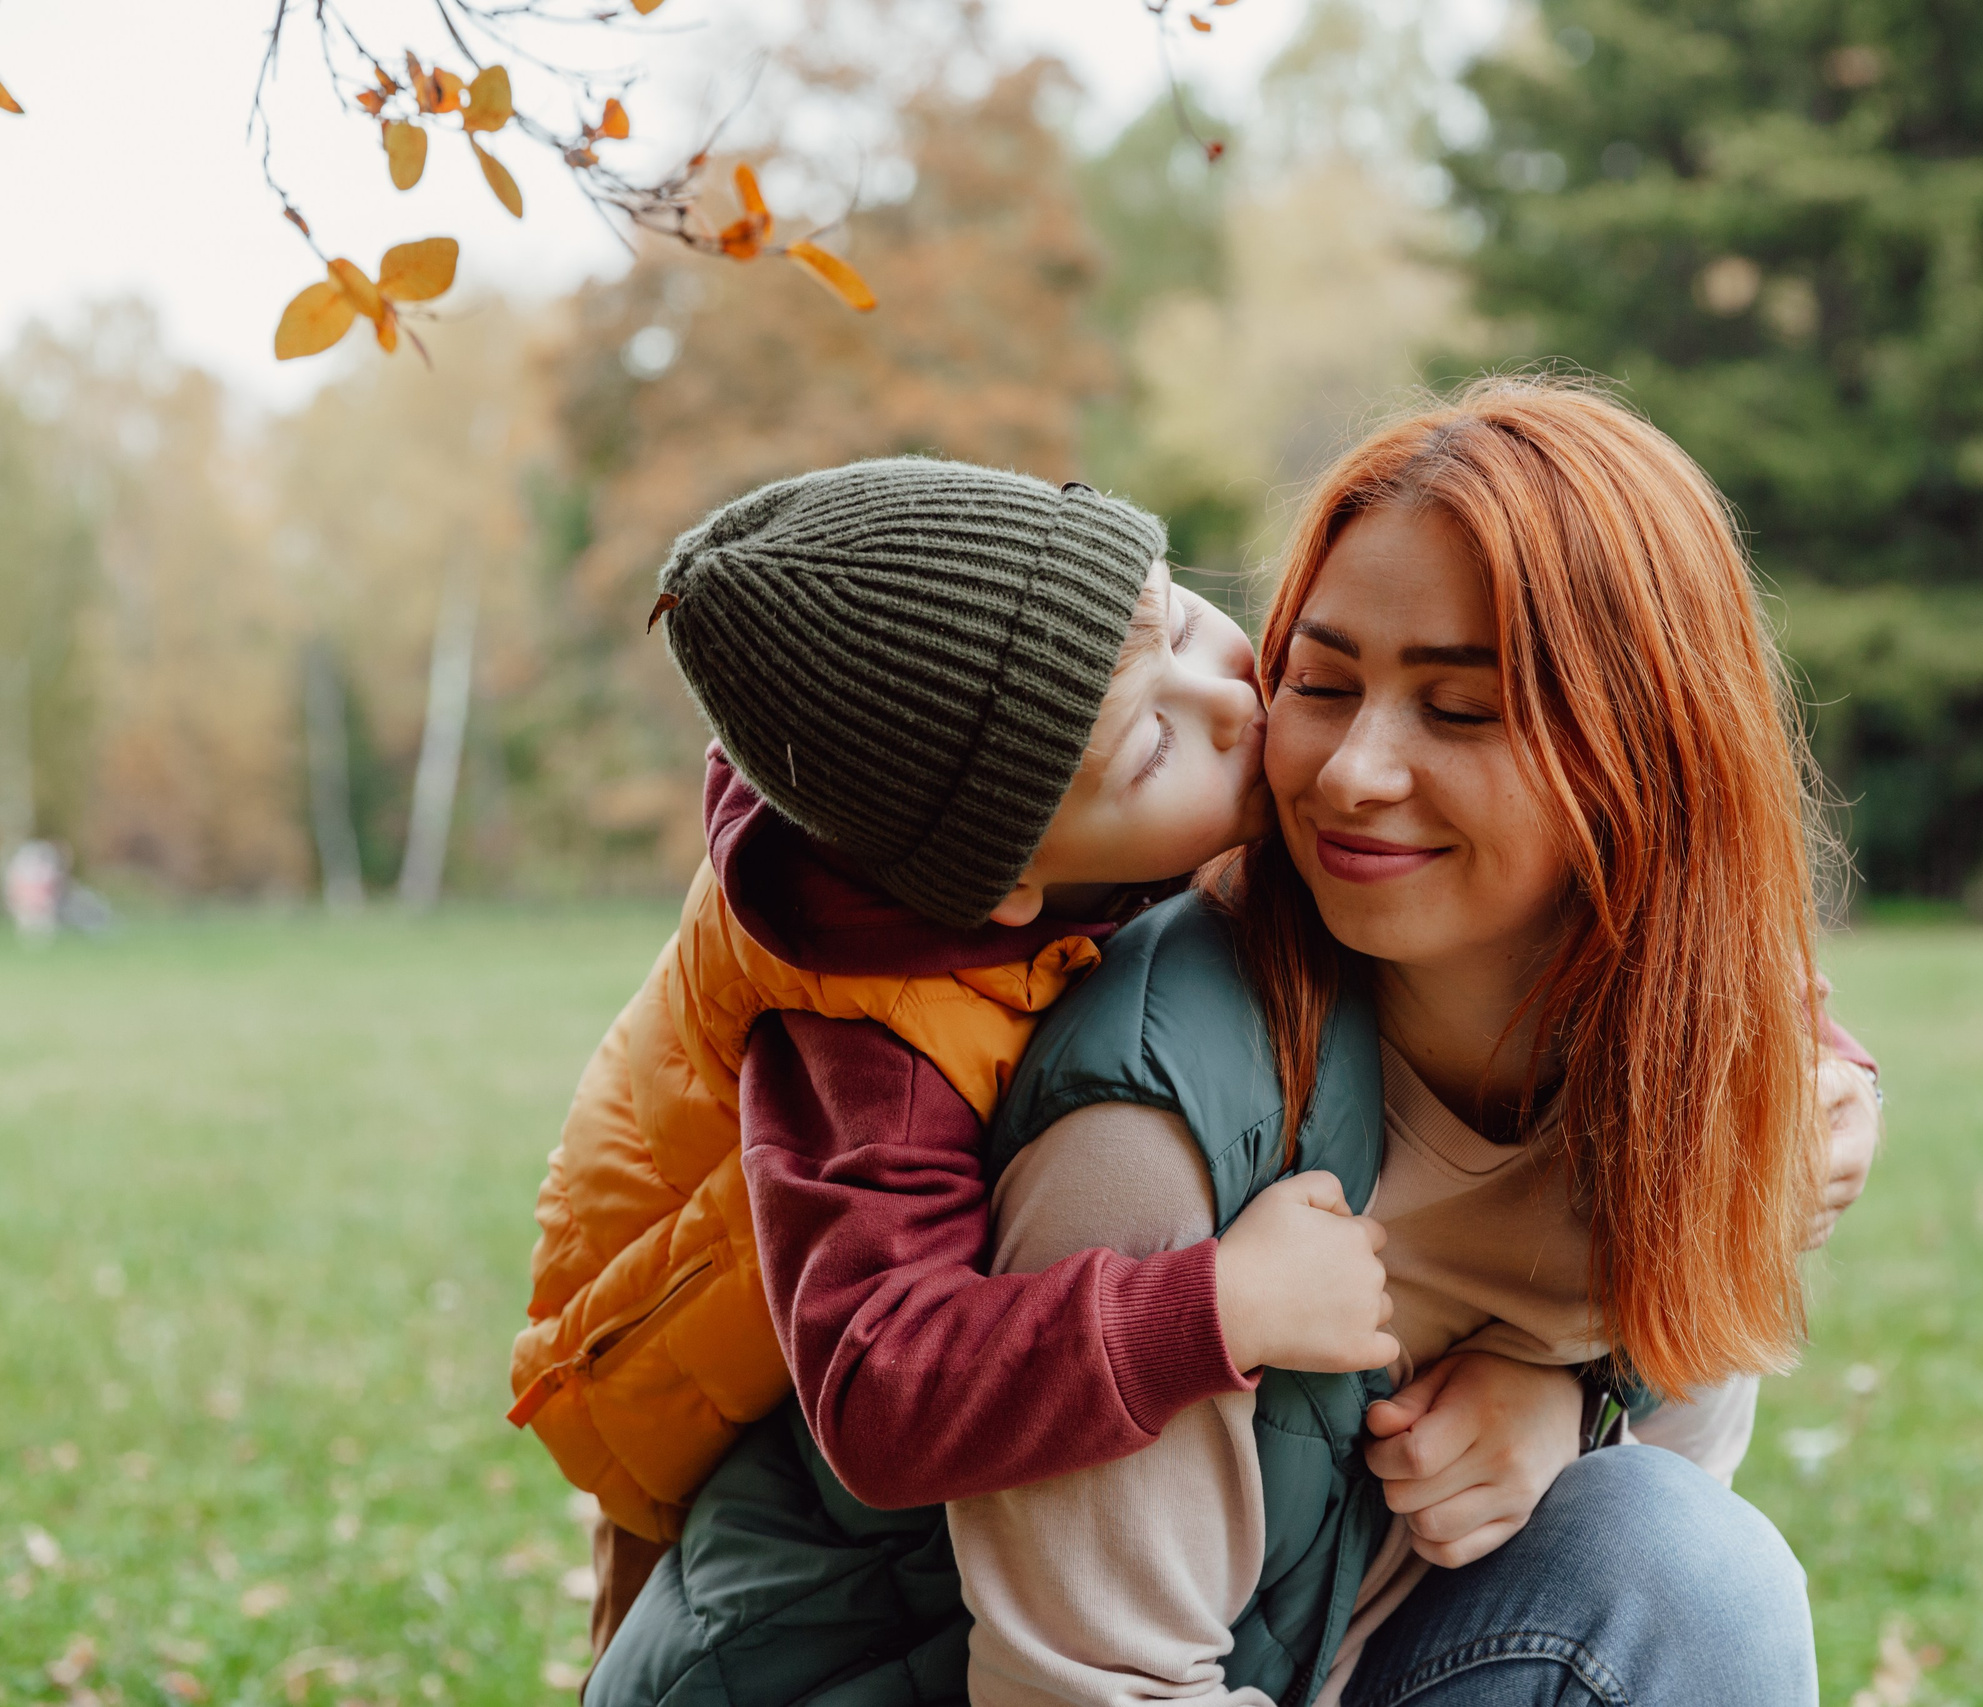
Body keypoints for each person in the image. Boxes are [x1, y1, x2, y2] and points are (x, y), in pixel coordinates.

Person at [945, 379, 1847, 1705]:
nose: (1354, 769)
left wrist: (1564, 1397)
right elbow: (1091, 1690)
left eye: (1461, 707)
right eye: (1318, 681)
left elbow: (1666, 1557)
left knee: (1677, 1557)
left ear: (1650, 748)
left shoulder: (1694, 1067)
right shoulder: (1149, 1132)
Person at [508, 459, 1404, 1657]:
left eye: (1181, 614)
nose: (1234, 700)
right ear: (1008, 890)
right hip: (681, 1397)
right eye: (1151, 746)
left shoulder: (1024, 841)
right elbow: (879, 1392)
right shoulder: (870, 1049)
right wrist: (1221, 1306)